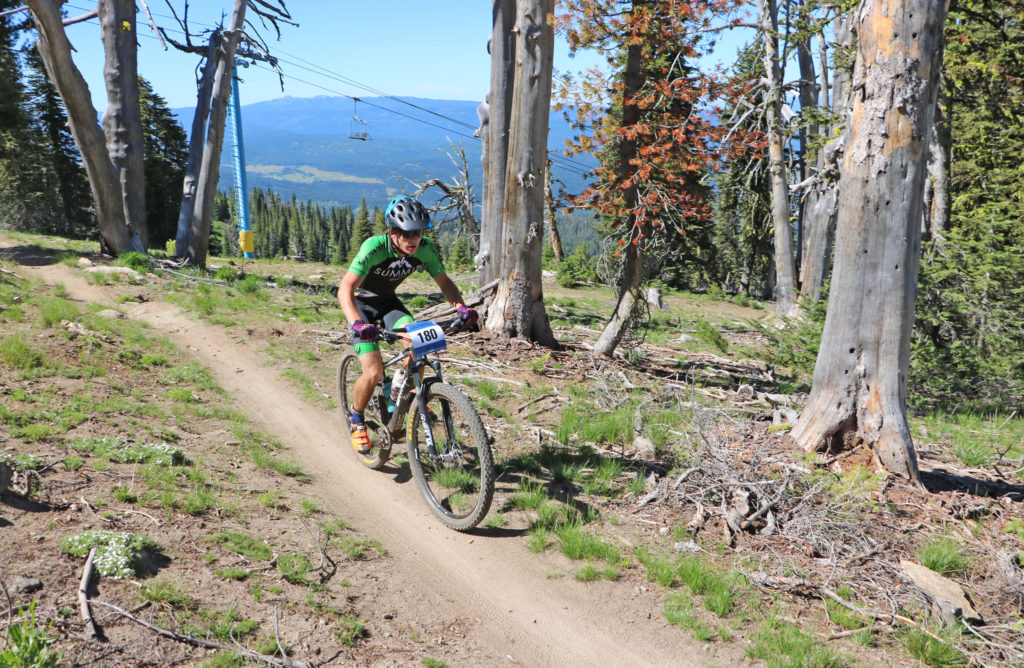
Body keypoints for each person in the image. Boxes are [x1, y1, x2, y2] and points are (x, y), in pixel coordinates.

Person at [338, 196, 478, 454]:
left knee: (418, 343)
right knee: (373, 372)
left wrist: (461, 307)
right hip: (361, 306)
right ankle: (356, 418)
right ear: (392, 232)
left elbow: (445, 283)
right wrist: (357, 323)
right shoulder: (375, 247)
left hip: (388, 303)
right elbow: (345, 288)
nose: (414, 238)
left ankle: (401, 395)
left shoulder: (424, 249)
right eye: (407, 233)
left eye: (419, 231)